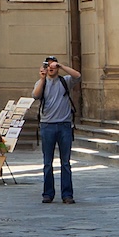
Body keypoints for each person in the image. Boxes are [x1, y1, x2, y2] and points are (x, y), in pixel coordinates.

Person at [33, 56, 81, 204]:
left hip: (64, 126)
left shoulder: (65, 81)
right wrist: (42, 78)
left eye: (52, 65)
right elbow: (36, 95)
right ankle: (48, 194)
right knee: (47, 162)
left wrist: (61, 66)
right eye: (48, 66)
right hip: (47, 125)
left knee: (65, 163)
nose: (50, 68)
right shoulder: (41, 83)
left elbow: (78, 76)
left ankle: (67, 195)